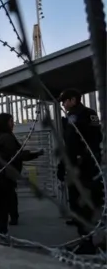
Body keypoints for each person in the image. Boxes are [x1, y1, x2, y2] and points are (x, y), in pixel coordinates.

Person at [0, 113, 43, 238]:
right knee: (1, 206)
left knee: (1, 205)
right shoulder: (6, 138)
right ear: (5, 123)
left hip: (1, 176)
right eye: (11, 121)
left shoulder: (0, 137)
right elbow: (17, 155)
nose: (13, 123)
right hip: (4, 177)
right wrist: (36, 154)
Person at [59, 89, 103, 254]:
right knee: (77, 206)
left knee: (84, 205)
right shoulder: (75, 117)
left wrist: (81, 159)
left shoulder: (83, 115)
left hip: (84, 169)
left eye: (65, 101)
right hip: (76, 168)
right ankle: (84, 239)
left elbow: (91, 141)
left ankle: (88, 243)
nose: (63, 104)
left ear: (73, 99)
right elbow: (69, 145)